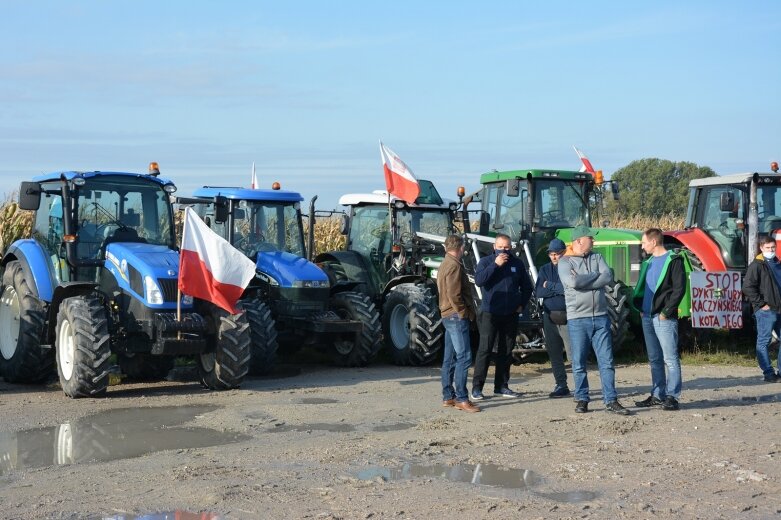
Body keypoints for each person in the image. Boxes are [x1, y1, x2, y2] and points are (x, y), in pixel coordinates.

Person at [558, 225, 631, 415]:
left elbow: (607, 276)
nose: (594, 241)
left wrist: (586, 279)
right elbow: (572, 283)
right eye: (591, 238)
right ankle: (582, 399)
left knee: (606, 362)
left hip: (600, 317)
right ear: (579, 240)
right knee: (579, 362)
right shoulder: (565, 262)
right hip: (578, 319)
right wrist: (594, 277)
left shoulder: (597, 257)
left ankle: (611, 400)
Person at [471, 233, 532, 400]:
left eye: (507, 247)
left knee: (506, 350)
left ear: (511, 247)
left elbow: (527, 287)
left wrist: (521, 304)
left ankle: (502, 386)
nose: (504, 250)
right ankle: (477, 388)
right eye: (500, 247)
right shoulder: (485, 262)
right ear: (494, 247)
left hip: (510, 314)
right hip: (490, 313)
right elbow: (479, 281)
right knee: (485, 349)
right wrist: (495, 266)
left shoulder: (517, 264)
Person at [631, 228, 687, 411]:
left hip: (663, 318)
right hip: (647, 316)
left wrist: (666, 312)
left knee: (670, 358)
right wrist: (641, 308)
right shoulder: (648, 262)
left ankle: (672, 396)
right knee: (654, 358)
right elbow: (644, 288)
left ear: (653, 242)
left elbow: (679, 289)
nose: (642, 245)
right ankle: (657, 394)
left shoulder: (674, 260)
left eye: (644, 242)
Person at [438, 234, 481, 412]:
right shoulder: (454, 265)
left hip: (447, 315)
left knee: (450, 357)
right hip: (455, 316)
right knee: (464, 357)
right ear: (460, 247)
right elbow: (454, 294)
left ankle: (448, 396)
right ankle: (462, 399)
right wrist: (463, 313)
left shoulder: (444, 263)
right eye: (463, 247)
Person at [535, 238, 571, 398]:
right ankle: (561, 385)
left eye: (557, 254)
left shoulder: (570, 267)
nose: (554, 257)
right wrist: (557, 288)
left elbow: (568, 289)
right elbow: (538, 292)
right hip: (549, 316)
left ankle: (581, 387)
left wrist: (549, 285)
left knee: (573, 353)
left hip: (569, 315)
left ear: (564, 253)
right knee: (554, 353)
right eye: (551, 254)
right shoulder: (544, 269)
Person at [742, 235, 781, 383]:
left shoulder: (777, 263)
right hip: (766, 310)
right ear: (761, 248)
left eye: (773, 248)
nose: (771, 250)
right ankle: (768, 373)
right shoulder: (757, 265)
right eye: (768, 248)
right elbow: (747, 287)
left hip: (779, 308)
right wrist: (761, 304)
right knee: (763, 341)